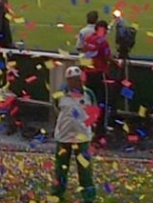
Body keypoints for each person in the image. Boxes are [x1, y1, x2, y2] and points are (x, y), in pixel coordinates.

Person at [52, 66, 97, 203]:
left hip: (82, 138)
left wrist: (87, 127)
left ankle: (88, 197)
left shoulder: (88, 94)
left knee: (85, 169)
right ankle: (57, 194)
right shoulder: (59, 94)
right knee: (60, 169)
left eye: (77, 79)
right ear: (67, 80)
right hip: (63, 137)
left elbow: (94, 112)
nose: (75, 82)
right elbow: (56, 110)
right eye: (71, 80)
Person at [81, 20, 112, 138]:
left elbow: (84, 54)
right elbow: (108, 57)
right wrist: (117, 63)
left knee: (89, 101)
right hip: (99, 75)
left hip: (88, 74)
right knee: (102, 103)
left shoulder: (88, 39)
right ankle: (100, 130)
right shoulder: (103, 42)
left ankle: (88, 126)